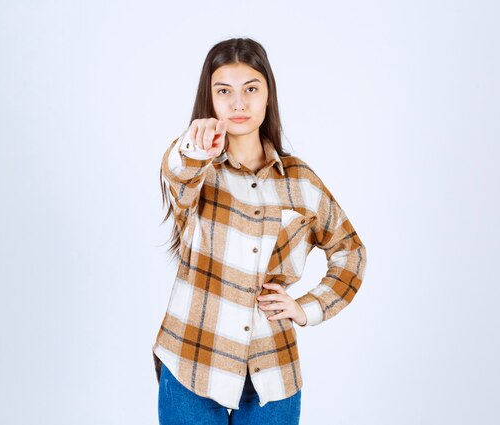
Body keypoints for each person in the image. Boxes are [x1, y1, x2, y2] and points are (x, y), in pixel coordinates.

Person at [152, 37, 367, 425]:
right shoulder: (200, 169)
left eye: (251, 89)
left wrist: (308, 308)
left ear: (268, 95)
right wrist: (194, 146)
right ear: (210, 100)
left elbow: (350, 250)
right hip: (192, 364)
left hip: (272, 375)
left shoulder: (299, 181)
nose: (238, 103)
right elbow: (177, 173)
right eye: (224, 91)